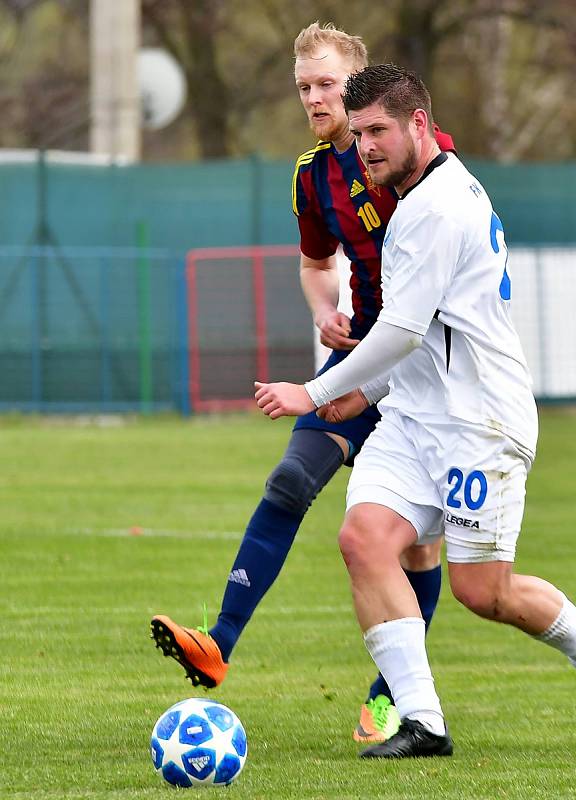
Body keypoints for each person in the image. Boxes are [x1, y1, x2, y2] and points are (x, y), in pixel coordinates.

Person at [254, 63, 576, 758]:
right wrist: (363, 394)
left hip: (477, 425)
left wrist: (312, 393)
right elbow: (416, 336)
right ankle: (423, 722)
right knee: (362, 540)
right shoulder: (412, 196)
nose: (364, 146)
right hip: (413, 416)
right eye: (358, 131)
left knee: (483, 592)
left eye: (378, 132)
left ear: (418, 126)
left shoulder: (435, 208)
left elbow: (398, 330)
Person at [151, 24, 457, 744]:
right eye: (305, 88)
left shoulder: (420, 161)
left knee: (414, 549)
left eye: (327, 85)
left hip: (426, 370)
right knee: (291, 481)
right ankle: (218, 642)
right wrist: (325, 311)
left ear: (360, 90)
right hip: (358, 354)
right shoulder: (312, 174)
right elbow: (316, 263)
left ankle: (391, 698)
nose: (316, 98)